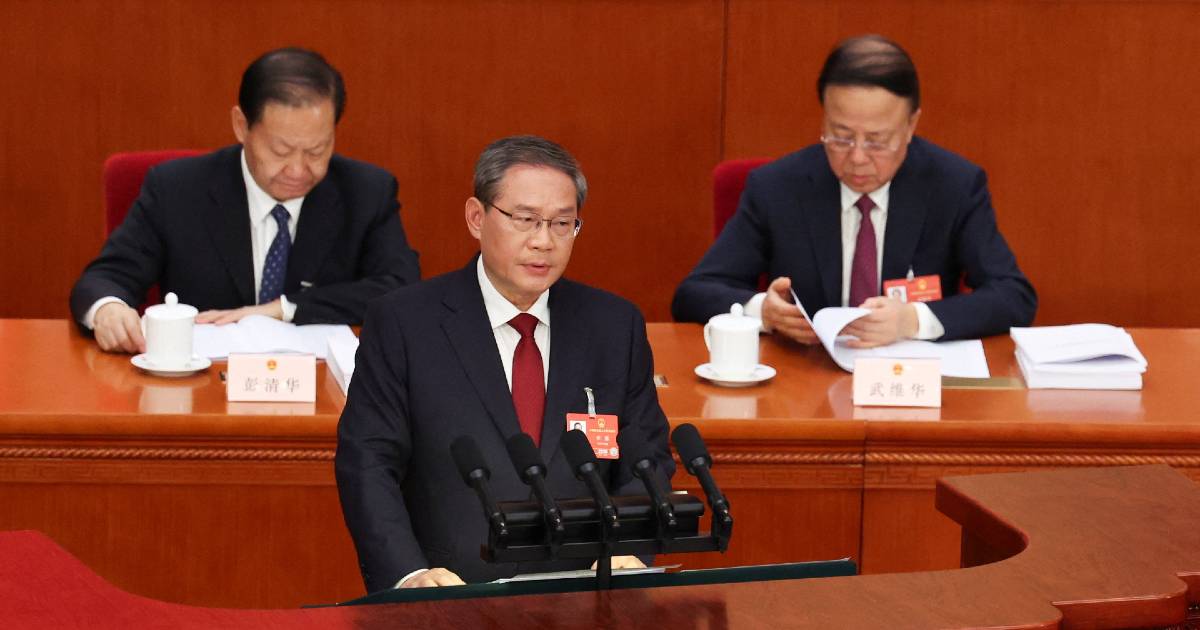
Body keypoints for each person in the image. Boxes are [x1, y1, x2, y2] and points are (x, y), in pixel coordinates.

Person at [335, 136, 674, 592]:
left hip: (585, 598)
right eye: (525, 219)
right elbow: (368, 463)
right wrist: (409, 575)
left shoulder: (614, 326)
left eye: (562, 223)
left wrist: (628, 551)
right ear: (477, 217)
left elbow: (646, 460)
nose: (543, 241)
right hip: (450, 598)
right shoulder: (403, 323)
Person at [672, 35, 1035, 347]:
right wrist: (762, 311)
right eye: (841, 136)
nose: (858, 158)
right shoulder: (777, 187)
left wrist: (912, 320)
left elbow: (1013, 296)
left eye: (877, 140)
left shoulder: (953, 185)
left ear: (911, 125)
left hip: (912, 381)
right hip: (804, 382)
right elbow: (695, 292)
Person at [70, 47, 420, 353]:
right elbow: (105, 278)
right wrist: (108, 309)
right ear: (241, 125)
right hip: (199, 390)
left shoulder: (366, 192)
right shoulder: (177, 189)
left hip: (317, 391)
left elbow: (401, 288)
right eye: (280, 150)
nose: (298, 169)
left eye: (317, 150)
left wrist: (282, 309)